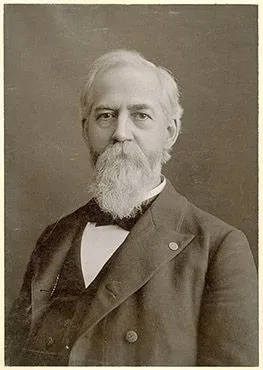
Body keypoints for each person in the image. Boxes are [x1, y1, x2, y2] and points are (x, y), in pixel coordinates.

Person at [6, 49, 258, 366]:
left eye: (140, 115)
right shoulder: (53, 239)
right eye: (106, 115)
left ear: (170, 133)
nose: (121, 133)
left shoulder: (219, 248)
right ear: (86, 130)